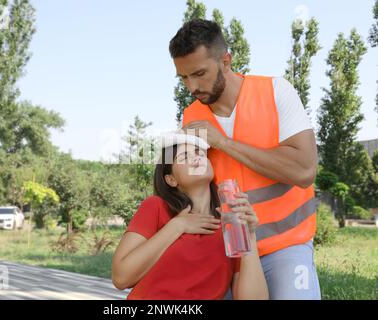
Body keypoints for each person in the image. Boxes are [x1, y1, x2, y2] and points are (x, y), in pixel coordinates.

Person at [168, 19, 321, 300]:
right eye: (184, 77)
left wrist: (222, 142)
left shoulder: (276, 91)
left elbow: (305, 170)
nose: (192, 86)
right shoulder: (190, 116)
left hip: (286, 246)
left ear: (226, 61)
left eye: (200, 73)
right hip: (227, 250)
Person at [112, 132, 268, 300]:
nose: (196, 158)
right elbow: (121, 278)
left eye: (200, 153)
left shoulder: (230, 226)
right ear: (171, 179)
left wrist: (249, 235)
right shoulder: (156, 207)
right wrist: (178, 226)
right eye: (184, 156)